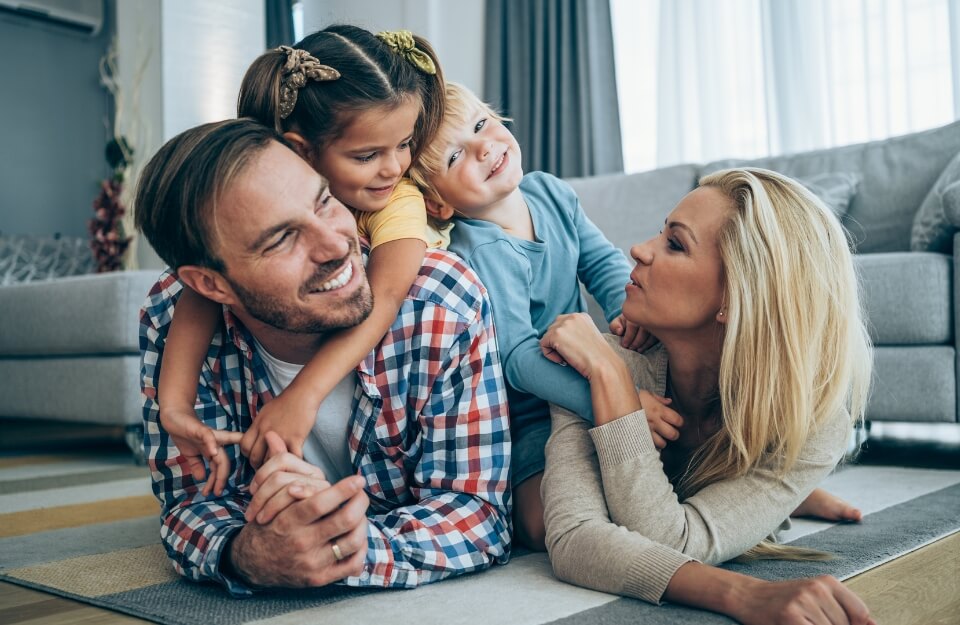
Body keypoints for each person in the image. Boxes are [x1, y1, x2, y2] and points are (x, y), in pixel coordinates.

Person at [135, 118, 511, 594]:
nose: (338, 245)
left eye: (325, 201)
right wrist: (250, 552)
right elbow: (188, 504)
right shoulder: (172, 318)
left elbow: (478, 514)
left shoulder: (441, 302)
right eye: (281, 239)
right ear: (211, 285)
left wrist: (348, 548)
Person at [538, 168, 875, 624]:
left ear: (735, 297)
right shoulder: (607, 360)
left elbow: (668, 538)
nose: (637, 249)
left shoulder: (813, 422)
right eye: (661, 233)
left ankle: (784, 493)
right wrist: (741, 594)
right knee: (533, 521)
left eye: (675, 244)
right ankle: (780, 496)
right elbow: (574, 537)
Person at [157, 26, 450, 489]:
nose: (395, 167)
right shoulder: (255, 208)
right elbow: (205, 294)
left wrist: (303, 395)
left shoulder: (398, 200)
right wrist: (174, 407)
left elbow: (388, 295)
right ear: (301, 152)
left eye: (404, 143)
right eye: (368, 154)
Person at [406, 83, 645, 550]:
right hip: (528, 417)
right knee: (540, 526)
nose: (483, 147)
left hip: (594, 374)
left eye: (480, 125)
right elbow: (517, 359)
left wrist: (628, 314)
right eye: (455, 158)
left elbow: (603, 264)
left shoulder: (551, 192)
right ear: (438, 203)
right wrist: (611, 404)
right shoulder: (478, 248)